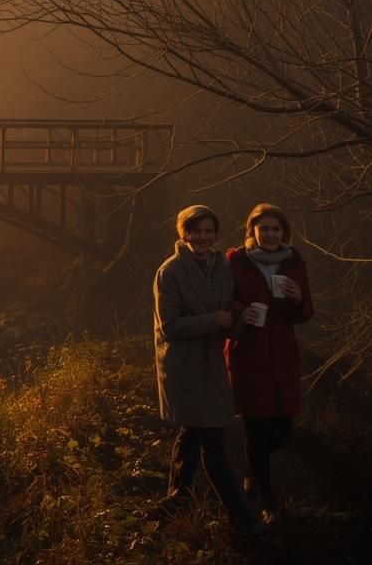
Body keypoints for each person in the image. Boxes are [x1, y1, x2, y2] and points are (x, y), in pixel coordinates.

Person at [151, 204, 268, 536]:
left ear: (215, 234)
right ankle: (240, 517)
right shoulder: (170, 271)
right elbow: (170, 325)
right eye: (195, 231)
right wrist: (215, 320)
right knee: (212, 440)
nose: (202, 237)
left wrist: (240, 319)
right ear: (183, 233)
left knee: (191, 433)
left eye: (208, 231)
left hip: (211, 363)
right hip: (183, 367)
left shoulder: (221, 268)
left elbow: (227, 316)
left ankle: (176, 498)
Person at [225, 202, 314, 524]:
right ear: (253, 231)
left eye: (276, 228)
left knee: (281, 432)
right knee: (255, 428)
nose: (270, 234)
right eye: (264, 228)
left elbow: (305, 314)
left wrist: (297, 299)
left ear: (284, 232)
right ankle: (268, 500)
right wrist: (240, 312)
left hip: (282, 354)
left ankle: (252, 467)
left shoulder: (295, 263)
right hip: (247, 351)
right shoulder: (235, 261)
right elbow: (223, 300)